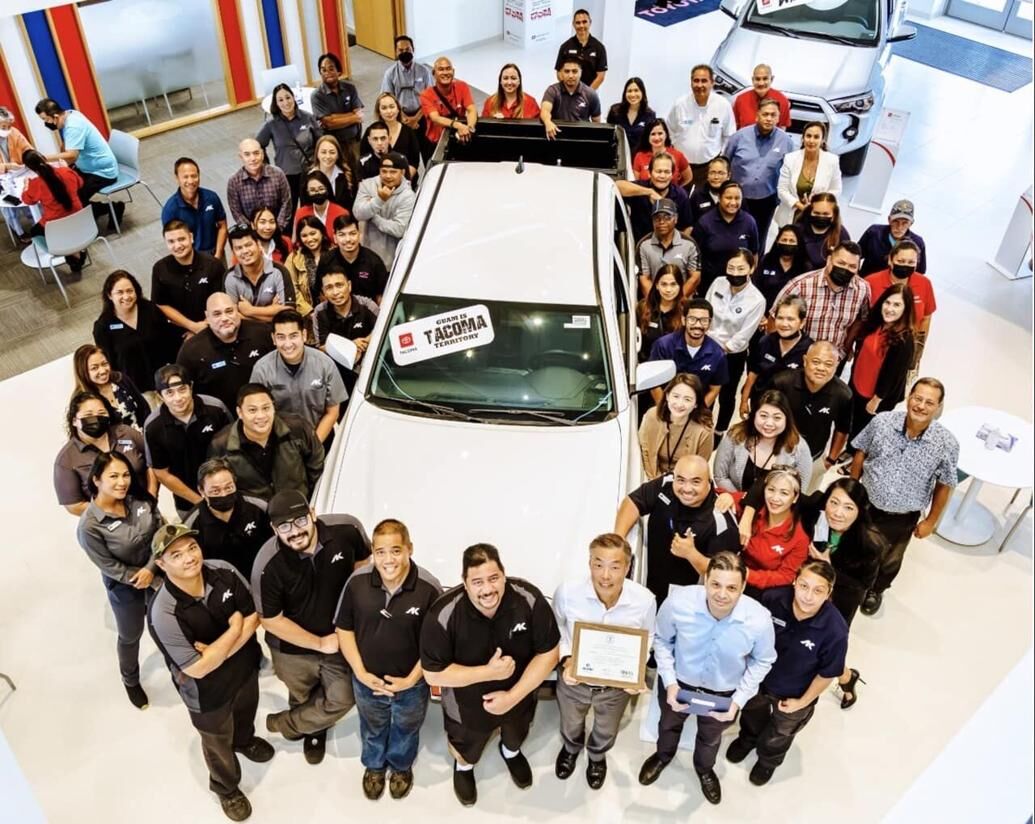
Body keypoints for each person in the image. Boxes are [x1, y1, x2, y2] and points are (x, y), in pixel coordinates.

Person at [147, 523, 271, 822]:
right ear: (161, 565)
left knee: (245, 712)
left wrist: (216, 650)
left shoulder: (223, 571)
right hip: (206, 692)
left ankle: (244, 740)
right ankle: (226, 787)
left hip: (244, 669)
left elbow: (254, 617)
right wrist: (233, 629)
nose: (189, 557)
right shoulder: (163, 613)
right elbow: (199, 668)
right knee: (216, 741)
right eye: (176, 555)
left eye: (192, 548)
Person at [420, 544, 560, 807]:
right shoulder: (443, 615)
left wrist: (512, 697)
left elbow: (549, 654)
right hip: (466, 706)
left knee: (516, 734)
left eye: (494, 578)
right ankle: (464, 768)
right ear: (464, 583)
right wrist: (487, 672)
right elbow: (432, 674)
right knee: (465, 750)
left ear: (504, 574)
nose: (487, 589)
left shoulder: (528, 599)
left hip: (519, 696)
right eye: (477, 582)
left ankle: (511, 751)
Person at [639, 551, 776, 806]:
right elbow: (662, 640)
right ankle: (662, 756)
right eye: (715, 584)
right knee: (668, 725)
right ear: (705, 579)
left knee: (710, 737)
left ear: (744, 587)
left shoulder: (758, 620)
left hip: (722, 694)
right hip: (678, 683)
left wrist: (738, 701)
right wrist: (669, 682)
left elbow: (763, 660)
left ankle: (704, 769)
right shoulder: (678, 603)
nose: (722, 594)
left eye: (732, 587)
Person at [253, 490, 370, 764]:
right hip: (291, 649)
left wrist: (353, 626)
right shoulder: (266, 565)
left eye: (300, 521)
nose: (294, 532)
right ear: (274, 529)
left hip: (339, 638)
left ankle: (288, 724)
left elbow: (362, 568)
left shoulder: (346, 530)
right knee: (302, 694)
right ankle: (313, 729)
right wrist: (318, 643)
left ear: (313, 513)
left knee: (343, 697)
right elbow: (270, 619)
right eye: (284, 526)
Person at [335, 518, 442, 800]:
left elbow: (435, 646)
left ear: (410, 549)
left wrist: (410, 680)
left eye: (396, 550)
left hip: (411, 686)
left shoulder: (429, 588)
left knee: (407, 727)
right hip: (366, 681)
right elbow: (343, 629)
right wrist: (359, 671)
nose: (388, 559)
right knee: (372, 726)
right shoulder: (356, 583)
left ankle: (401, 766)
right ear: (373, 551)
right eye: (380, 551)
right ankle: (373, 765)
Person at [726, 560, 847, 785]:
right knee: (752, 714)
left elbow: (827, 673)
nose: (808, 596)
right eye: (804, 586)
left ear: (829, 593)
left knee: (781, 732)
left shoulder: (835, 630)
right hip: (759, 682)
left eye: (818, 590)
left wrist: (803, 702)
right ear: (794, 581)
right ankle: (748, 739)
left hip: (795, 693)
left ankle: (767, 761)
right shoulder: (773, 600)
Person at [552, 534, 656, 789]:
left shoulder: (644, 601)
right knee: (570, 720)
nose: (605, 575)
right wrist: (566, 659)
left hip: (615, 687)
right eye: (598, 564)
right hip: (574, 679)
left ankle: (597, 756)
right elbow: (556, 629)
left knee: (607, 726)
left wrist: (636, 671)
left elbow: (649, 636)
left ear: (628, 567)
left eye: (615, 566)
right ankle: (570, 748)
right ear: (589, 564)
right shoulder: (567, 593)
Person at [850, 378, 958, 615]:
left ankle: (876, 590)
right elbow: (861, 452)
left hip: (903, 515)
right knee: (856, 544)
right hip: (866, 502)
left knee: (890, 558)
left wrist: (931, 521)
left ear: (939, 407)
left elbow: (944, 485)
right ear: (909, 397)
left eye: (929, 402)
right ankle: (853, 581)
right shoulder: (882, 422)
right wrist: (851, 490)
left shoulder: (946, 443)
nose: (921, 406)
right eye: (917, 398)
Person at [76, 451, 162, 709]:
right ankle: (131, 680)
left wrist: (151, 569)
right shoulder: (89, 526)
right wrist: (141, 577)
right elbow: (108, 565)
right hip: (125, 587)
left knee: (165, 623)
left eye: (125, 475)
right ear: (96, 480)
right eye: (113, 476)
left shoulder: (140, 501)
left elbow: (161, 531)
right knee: (130, 634)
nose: (121, 482)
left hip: (158, 571)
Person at [799, 478, 885, 707]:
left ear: (860, 510)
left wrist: (831, 569)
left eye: (848, 507)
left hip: (841, 600)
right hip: (807, 592)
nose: (837, 513)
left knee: (827, 651)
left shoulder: (870, 544)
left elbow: (862, 586)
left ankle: (847, 678)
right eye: (833, 503)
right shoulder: (816, 509)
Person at [614, 455, 741, 605]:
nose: (687, 489)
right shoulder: (665, 484)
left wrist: (692, 555)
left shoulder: (721, 521)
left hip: (688, 600)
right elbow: (633, 502)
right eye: (680, 480)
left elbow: (724, 576)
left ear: (709, 482)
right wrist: (617, 540)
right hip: (650, 583)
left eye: (695, 482)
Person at [208, 383, 325, 500]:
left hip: (297, 505)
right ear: (240, 412)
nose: (261, 416)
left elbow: (316, 464)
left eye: (266, 408)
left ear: (273, 407)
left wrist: (313, 499)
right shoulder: (221, 444)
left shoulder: (297, 428)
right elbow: (217, 483)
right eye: (252, 410)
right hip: (254, 513)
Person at [144, 363, 231, 518]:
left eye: (182, 389)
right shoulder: (153, 427)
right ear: (159, 396)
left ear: (191, 387)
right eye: (169, 392)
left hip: (228, 491)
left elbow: (235, 449)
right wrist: (200, 501)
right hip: (187, 502)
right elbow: (162, 473)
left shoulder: (216, 409)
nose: (178, 398)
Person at [250, 309, 346, 444]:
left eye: (293, 335)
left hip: (320, 438)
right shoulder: (262, 369)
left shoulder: (325, 364)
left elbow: (333, 412)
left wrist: (314, 446)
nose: (288, 344)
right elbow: (258, 416)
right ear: (273, 339)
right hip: (279, 444)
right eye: (281, 337)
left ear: (304, 335)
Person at [770, 341, 852, 490]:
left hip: (814, 457)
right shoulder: (781, 382)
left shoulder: (843, 394)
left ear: (836, 366)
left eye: (828, 364)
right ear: (805, 360)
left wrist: (831, 459)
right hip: (776, 452)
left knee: (804, 499)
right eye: (816, 362)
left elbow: (842, 429)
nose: (821, 368)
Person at [54, 390, 151, 516]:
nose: (96, 419)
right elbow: (74, 505)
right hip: (109, 524)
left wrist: (151, 497)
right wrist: (115, 511)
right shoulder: (66, 459)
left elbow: (153, 464)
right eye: (88, 415)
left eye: (101, 413)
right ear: (74, 421)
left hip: (147, 509)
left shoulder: (127, 433)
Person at [176, 292, 275, 412]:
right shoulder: (191, 350)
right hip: (218, 420)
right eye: (217, 314)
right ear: (207, 317)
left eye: (229, 311)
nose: (224, 318)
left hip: (263, 414)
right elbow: (184, 391)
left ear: (237, 311)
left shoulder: (262, 334)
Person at [772, 241, 869, 363]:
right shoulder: (800, 285)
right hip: (797, 358)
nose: (845, 269)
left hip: (833, 360)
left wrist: (846, 348)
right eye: (841, 263)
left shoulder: (863, 289)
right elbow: (773, 318)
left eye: (852, 266)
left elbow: (860, 319)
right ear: (829, 260)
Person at [705, 249, 767, 439]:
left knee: (727, 394)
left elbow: (744, 334)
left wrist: (724, 348)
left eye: (741, 268)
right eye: (731, 267)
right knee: (707, 388)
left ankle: (719, 430)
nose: (735, 273)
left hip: (732, 354)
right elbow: (706, 311)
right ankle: (704, 424)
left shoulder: (757, 300)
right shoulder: (718, 283)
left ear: (751, 268)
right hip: (707, 346)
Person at [34, 97, 122, 227]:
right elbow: (68, 143)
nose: (46, 123)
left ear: (56, 116)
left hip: (102, 171)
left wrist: (44, 158)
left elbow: (72, 156)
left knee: (74, 199)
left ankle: (113, 208)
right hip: (87, 168)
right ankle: (91, 212)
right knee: (64, 189)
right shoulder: (70, 114)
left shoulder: (73, 126)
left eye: (46, 119)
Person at [183, 458, 274, 579]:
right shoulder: (191, 523)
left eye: (229, 488)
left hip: (264, 575)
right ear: (201, 491)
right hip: (223, 584)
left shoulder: (258, 506)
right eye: (215, 491)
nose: (223, 494)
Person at [713, 389, 813, 498]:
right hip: (733, 503)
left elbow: (798, 492)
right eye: (763, 416)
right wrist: (742, 499)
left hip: (774, 511)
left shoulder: (799, 448)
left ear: (787, 419)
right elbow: (720, 476)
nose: (769, 423)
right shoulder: (736, 435)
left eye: (777, 418)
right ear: (754, 415)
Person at [93, 270, 179, 394]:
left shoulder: (150, 310)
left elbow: (169, 341)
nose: (126, 296)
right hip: (136, 390)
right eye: (120, 292)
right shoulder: (103, 326)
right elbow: (109, 363)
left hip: (166, 383)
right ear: (109, 295)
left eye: (129, 291)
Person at [724, 99, 794, 245]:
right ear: (757, 116)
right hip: (737, 198)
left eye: (773, 115)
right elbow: (725, 164)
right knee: (733, 236)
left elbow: (788, 173)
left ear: (778, 117)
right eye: (765, 114)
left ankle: (756, 265)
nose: (769, 119)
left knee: (758, 238)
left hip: (766, 200)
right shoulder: (739, 137)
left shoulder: (786, 142)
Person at [849, 283, 915, 438]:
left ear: (906, 309)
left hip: (877, 395)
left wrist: (877, 399)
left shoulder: (904, 339)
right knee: (852, 422)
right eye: (888, 302)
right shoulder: (875, 324)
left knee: (864, 431)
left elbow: (893, 374)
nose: (890, 309)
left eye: (897, 305)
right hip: (858, 384)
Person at [647, 298, 728, 415]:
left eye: (704, 320)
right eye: (692, 319)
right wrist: (666, 411)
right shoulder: (663, 346)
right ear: (684, 320)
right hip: (664, 409)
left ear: (710, 323)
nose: (698, 325)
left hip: (697, 414)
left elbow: (714, 390)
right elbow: (654, 383)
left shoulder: (717, 354)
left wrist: (694, 415)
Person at [865, 240, 935, 371]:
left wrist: (918, 347)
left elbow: (926, 316)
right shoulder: (871, 282)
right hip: (873, 347)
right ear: (890, 260)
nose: (906, 266)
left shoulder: (924, 283)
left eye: (911, 262)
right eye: (901, 261)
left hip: (905, 348)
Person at [153, 219, 227, 339]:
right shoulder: (160, 269)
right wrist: (192, 327)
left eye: (181, 239)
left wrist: (203, 327)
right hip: (179, 333)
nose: (177, 246)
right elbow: (161, 304)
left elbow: (222, 299)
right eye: (171, 241)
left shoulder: (213, 265)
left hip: (215, 327)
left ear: (191, 237)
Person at [310, 266, 378, 396]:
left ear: (349, 285)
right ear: (323, 292)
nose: (335, 292)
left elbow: (381, 330)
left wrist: (364, 343)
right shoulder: (320, 312)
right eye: (329, 288)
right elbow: (322, 346)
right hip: (338, 372)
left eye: (339, 285)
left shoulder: (368, 305)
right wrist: (351, 347)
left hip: (369, 368)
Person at [739, 469, 810, 593]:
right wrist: (726, 497)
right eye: (771, 490)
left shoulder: (800, 538)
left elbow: (786, 576)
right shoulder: (753, 510)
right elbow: (728, 495)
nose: (775, 498)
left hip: (762, 587)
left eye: (784, 493)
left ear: (795, 497)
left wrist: (746, 574)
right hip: (733, 572)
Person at [740, 294, 813, 414]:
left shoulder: (809, 349)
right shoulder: (765, 342)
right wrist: (743, 401)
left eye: (790, 319)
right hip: (760, 403)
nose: (784, 324)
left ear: (802, 322)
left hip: (789, 409)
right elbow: (753, 374)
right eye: (780, 318)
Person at [257, 83, 321, 215]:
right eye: (280, 100)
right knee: (288, 212)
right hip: (286, 175)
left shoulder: (308, 117)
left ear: (293, 98)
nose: (286, 102)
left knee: (309, 210)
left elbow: (321, 141)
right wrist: (266, 166)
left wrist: (318, 163)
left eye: (288, 97)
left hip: (308, 172)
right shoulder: (271, 124)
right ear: (276, 104)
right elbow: (258, 145)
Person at [666, 66, 735, 188]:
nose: (699, 85)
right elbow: (669, 131)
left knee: (705, 205)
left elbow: (729, 136)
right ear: (691, 82)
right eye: (696, 80)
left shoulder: (723, 105)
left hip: (709, 168)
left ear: (712, 83)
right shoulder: (680, 105)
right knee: (682, 202)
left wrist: (719, 160)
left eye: (704, 81)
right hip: (682, 167)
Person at [19, 148, 84, 269]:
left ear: (30, 168)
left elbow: (27, 200)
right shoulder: (66, 171)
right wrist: (67, 168)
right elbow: (80, 183)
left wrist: (25, 186)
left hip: (55, 224)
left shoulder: (36, 184)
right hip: (80, 219)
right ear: (44, 158)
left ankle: (64, 249)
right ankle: (74, 251)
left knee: (34, 231)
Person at [638, 374, 713, 478]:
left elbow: (699, 468)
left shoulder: (704, 431)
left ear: (696, 404)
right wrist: (655, 482)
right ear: (667, 396)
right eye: (676, 396)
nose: (679, 404)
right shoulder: (652, 416)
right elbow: (645, 452)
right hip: (653, 478)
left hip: (686, 483)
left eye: (687, 399)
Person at [693, 181, 760, 296]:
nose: (733, 202)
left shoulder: (749, 222)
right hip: (709, 284)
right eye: (728, 198)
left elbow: (753, 253)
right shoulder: (705, 222)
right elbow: (694, 256)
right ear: (719, 197)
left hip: (739, 285)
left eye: (737, 198)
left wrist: (750, 277)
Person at [352, 152, 416, 268]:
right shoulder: (367, 185)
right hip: (366, 256)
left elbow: (399, 229)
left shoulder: (408, 196)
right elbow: (358, 214)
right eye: (384, 171)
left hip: (392, 261)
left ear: (402, 172)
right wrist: (379, 200)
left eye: (393, 172)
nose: (388, 176)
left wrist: (373, 215)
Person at [616, 152, 693, 243]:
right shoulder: (640, 187)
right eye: (658, 171)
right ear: (649, 173)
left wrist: (678, 247)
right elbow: (617, 186)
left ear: (672, 175)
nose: (662, 176)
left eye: (667, 172)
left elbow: (688, 226)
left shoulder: (681, 195)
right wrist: (649, 192)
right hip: (641, 246)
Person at [224, 223, 294, 323]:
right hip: (245, 333)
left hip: (277, 333)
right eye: (239, 248)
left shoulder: (279, 271)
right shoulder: (230, 277)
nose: (245, 251)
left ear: (259, 245)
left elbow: (289, 314)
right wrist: (273, 310)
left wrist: (250, 311)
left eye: (248, 245)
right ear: (233, 252)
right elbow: (231, 316)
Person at [776, 122, 842, 227]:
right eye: (808, 136)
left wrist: (818, 204)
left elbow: (836, 190)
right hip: (790, 216)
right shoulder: (790, 158)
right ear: (803, 138)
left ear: (822, 140)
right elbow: (782, 190)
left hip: (818, 216)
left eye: (816, 137)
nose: (811, 141)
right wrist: (801, 207)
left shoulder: (832, 161)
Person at [380, 35, 434, 161]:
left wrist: (415, 119)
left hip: (422, 117)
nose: (405, 52)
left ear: (413, 49)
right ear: (396, 52)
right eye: (401, 50)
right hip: (400, 118)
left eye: (407, 49)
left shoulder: (424, 71)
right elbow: (387, 99)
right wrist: (405, 118)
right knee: (406, 157)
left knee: (428, 154)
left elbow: (431, 98)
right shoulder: (390, 74)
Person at [72, 344, 150, 431]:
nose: (103, 370)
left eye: (104, 364)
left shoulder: (121, 379)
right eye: (94, 368)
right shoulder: (83, 399)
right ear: (83, 372)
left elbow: (144, 408)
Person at [160, 157, 228, 258]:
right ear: (177, 178)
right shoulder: (170, 210)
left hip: (215, 253)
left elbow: (222, 226)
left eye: (194, 176)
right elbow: (173, 241)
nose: (191, 181)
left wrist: (218, 254)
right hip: (190, 257)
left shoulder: (211, 197)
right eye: (185, 177)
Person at [317, 215, 390, 304]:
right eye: (342, 235)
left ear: (359, 234)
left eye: (352, 233)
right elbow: (322, 293)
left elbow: (381, 297)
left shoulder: (374, 261)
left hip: (367, 314)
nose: (348, 239)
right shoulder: (326, 260)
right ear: (335, 237)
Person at [225, 138, 292, 233]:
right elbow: (237, 213)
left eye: (256, 153)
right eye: (247, 154)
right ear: (241, 157)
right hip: (252, 234)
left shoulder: (278, 174)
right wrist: (253, 233)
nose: (253, 158)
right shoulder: (234, 182)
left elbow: (286, 203)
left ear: (262, 154)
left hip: (279, 230)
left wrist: (277, 227)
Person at [636, 200, 700, 297]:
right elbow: (644, 279)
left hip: (682, 298)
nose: (662, 222)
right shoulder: (644, 244)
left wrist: (678, 299)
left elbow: (695, 277)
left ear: (676, 219)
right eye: (657, 218)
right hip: (654, 299)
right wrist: (655, 302)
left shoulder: (689, 243)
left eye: (667, 218)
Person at [310, 52, 364, 163]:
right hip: (332, 145)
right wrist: (352, 116)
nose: (327, 73)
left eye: (331, 69)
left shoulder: (350, 88)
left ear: (338, 71)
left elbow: (359, 115)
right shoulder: (316, 96)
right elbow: (329, 123)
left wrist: (335, 117)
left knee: (357, 170)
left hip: (354, 140)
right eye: (323, 70)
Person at [858, 199, 928, 276]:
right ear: (889, 220)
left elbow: (920, 272)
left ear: (911, 223)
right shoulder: (873, 232)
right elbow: (856, 255)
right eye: (896, 221)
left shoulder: (918, 243)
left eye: (905, 223)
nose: (899, 227)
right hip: (868, 280)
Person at [419, 57, 477, 147]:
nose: (445, 72)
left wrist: (469, 128)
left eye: (448, 69)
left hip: (459, 137)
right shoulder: (426, 95)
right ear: (434, 73)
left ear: (453, 72)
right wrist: (458, 125)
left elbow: (471, 109)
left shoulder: (462, 86)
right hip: (437, 143)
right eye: (441, 69)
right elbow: (436, 118)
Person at [285, 214, 332, 323]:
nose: (310, 239)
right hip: (308, 318)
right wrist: (309, 312)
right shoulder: (293, 258)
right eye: (304, 235)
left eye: (313, 233)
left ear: (321, 232)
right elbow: (291, 288)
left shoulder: (334, 253)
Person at [636, 263, 687, 363]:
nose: (668, 290)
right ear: (656, 285)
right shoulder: (643, 307)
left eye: (673, 284)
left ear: (680, 286)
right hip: (647, 367)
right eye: (664, 284)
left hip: (676, 369)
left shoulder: (686, 310)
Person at [541, 58, 602, 139]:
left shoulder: (590, 94)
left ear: (581, 72)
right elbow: (545, 110)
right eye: (566, 71)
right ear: (561, 73)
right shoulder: (552, 91)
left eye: (574, 71)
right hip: (557, 137)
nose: (570, 75)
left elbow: (597, 122)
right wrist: (547, 122)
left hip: (582, 139)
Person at [754, 224, 808, 312]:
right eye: (784, 240)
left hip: (791, 315)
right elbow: (756, 287)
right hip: (763, 313)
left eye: (792, 241)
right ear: (777, 241)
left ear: (799, 243)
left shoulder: (805, 267)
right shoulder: (766, 260)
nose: (787, 243)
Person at [554, 8, 608, 89]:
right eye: (578, 23)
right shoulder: (565, 47)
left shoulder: (599, 47)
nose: (581, 25)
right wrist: (569, 90)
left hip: (589, 95)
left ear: (590, 22)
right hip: (568, 95)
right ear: (573, 24)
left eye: (584, 22)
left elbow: (601, 76)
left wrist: (586, 94)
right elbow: (559, 72)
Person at [795, 192, 850, 272]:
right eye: (816, 213)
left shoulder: (841, 234)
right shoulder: (798, 229)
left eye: (826, 214)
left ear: (834, 215)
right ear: (810, 212)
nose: (821, 217)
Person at [375, 92, 422, 181]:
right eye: (384, 108)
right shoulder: (372, 132)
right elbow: (366, 161)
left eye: (392, 106)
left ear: (398, 109)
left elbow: (414, 162)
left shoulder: (409, 132)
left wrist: (401, 182)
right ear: (379, 112)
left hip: (405, 183)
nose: (389, 111)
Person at [292, 170, 348, 242]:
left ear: (327, 189)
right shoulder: (300, 213)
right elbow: (296, 242)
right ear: (307, 192)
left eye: (321, 189)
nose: (317, 193)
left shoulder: (341, 213)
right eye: (312, 190)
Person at [631, 119, 690, 186]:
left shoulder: (678, 155)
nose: (657, 138)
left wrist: (676, 190)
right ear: (647, 136)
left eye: (660, 133)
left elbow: (688, 177)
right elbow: (636, 183)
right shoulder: (639, 156)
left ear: (666, 134)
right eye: (653, 134)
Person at [732, 64, 791, 130]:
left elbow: (782, 130)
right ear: (752, 79)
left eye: (765, 78)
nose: (761, 83)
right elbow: (734, 127)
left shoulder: (782, 101)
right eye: (757, 79)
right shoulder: (740, 100)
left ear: (771, 79)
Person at [311, 134, 359, 213]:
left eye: (332, 152)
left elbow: (352, 207)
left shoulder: (347, 175)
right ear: (317, 154)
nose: (328, 156)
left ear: (338, 155)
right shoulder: (308, 175)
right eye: (323, 152)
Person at [605, 77, 654, 150]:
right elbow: (608, 135)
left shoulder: (650, 115)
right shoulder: (615, 111)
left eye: (636, 90)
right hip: (618, 155)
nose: (633, 94)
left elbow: (649, 141)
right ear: (625, 93)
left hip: (638, 157)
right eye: (629, 91)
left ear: (642, 92)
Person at [687, 156, 730, 225]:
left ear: (728, 176)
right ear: (707, 175)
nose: (716, 177)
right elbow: (689, 224)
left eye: (721, 173)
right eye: (712, 173)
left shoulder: (736, 195)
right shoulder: (697, 195)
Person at [0, 106, 31, 172]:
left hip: (18, 174)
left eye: (9, 126)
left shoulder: (14, 132)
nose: (7, 130)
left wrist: (32, 157)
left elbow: (27, 149)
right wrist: (7, 166)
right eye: (3, 127)